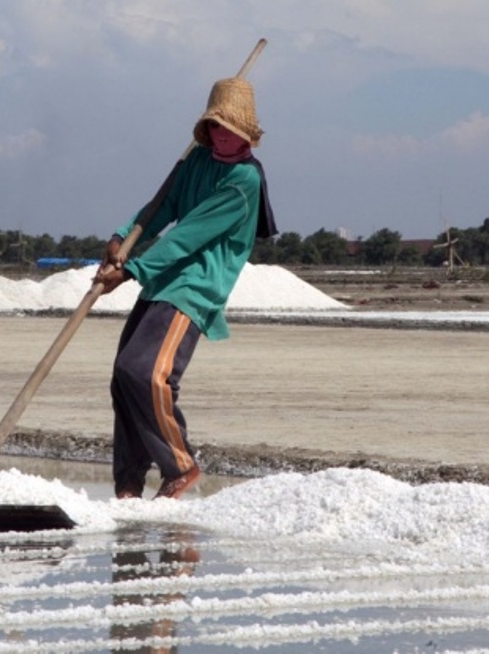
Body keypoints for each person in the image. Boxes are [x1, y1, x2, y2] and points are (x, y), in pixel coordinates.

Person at [94, 77, 277, 501]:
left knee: (146, 373)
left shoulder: (245, 180)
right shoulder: (196, 159)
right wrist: (123, 236)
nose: (222, 134)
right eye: (215, 126)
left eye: (230, 128)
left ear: (246, 133)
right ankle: (128, 482)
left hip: (194, 285)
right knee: (123, 379)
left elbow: (188, 234)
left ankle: (180, 465)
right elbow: (164, 207)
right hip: (163, 279)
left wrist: (132, 270)